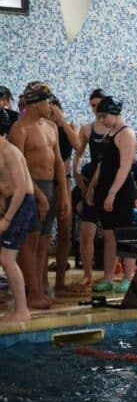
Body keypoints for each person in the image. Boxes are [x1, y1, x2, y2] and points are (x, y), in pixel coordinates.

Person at [9, 82, 70, 309]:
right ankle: (33, 293)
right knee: (30, 241)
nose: (51, 106)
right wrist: (39, 196)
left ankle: (41, 288)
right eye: (48, 102)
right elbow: (20, 168)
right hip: (28, 188)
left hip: (50, 188)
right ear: (36, 104)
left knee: (44, 240)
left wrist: (62, 194)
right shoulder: (19, 130)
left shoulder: (51, 127)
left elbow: (59, 164)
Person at [86, 96, 137, 293]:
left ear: (114, 113)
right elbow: (103, 164)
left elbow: (124, 168)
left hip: (121, 191)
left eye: (103, 115)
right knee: (108, 235)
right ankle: (108, 277)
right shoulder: (110, 131)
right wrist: (93, 187)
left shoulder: (127, 134)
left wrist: (112, 194)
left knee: (124, 236)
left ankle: (128, 276)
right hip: (106, 188)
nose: (100, 120)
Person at [0, 110, 38, 324]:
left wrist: (7, 219)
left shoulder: (9, 152)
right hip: (12, 206)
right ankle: (16, 306)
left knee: (7, 258)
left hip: (22, 206)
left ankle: (22, 310)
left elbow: (22, 188)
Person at [73, 88, 108, 291]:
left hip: (108, 182)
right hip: (91, 184)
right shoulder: (87, 129)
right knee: (87, 232)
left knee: (112, 234)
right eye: (93, 106)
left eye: (99, 105)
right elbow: (78, 155)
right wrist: (77, 175)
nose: (96, 109)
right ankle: (87, 274)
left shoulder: (115, 128)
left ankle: (112, 275)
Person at [48, 96, 80, 293]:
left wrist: (63, 123)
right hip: (45, 181)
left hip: (65, 182)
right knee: (41, 234)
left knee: (65, 232)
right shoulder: (41, 129)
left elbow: (78, 146)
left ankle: (60, 281)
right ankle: (39, 282)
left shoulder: (68, 128)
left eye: (55, 112)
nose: (52, 116)